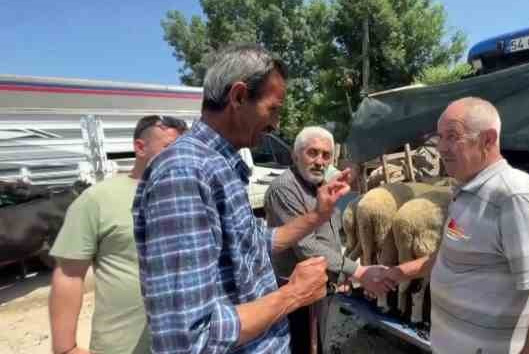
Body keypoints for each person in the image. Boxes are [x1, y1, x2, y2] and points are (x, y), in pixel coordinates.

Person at [132, 44, 352, 354]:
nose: (276, 123)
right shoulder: (185, 173)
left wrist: (317, 214)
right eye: (273, 109)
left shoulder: (220, 165)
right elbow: (187, 338)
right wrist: (293, 294)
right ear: (237, 97)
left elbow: (250, 244)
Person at [383, 97, 529, 354]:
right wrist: (398, 272)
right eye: (440, 138)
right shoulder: (464, 190)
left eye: (452, 137)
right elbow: (449, 256)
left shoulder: (517, 197)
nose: (441, 148)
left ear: (488, 140)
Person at [49, 115, 188, 354]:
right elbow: (69, 273)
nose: (180, 155)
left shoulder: (191, 195)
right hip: (123, 346)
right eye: (169, 148)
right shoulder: (97, 200)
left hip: (189, 341)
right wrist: (65, 347)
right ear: (140, 147)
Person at [264, 126, 391, 353]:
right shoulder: (284, 189)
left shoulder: (321, 186)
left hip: (320, 283)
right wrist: (358, 271)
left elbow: (329, 234)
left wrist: (339, 273)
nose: (319, 161)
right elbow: (306, 245)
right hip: (294, 287)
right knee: (300, 343)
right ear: (295, 155)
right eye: (312, 153)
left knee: (318, 340)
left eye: (325, 155)